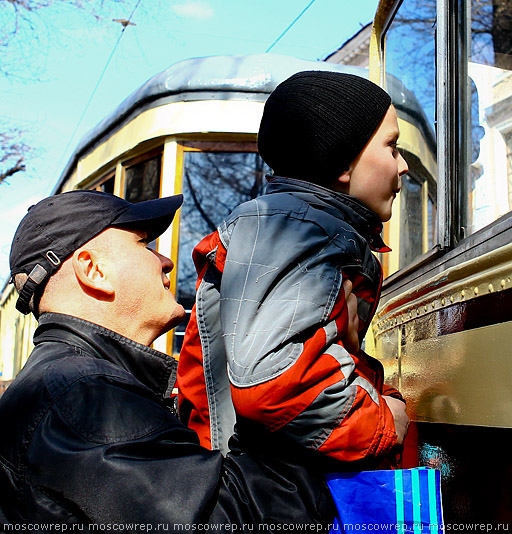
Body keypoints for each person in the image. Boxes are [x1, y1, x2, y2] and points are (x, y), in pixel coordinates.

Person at [0, 190, 334, 528]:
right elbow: (240, 520)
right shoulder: (87, 395)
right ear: (93, 270)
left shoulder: (64, 385)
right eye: (144, 244)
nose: (166, 261)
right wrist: (285, 396)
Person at [176, 71, 410, 466]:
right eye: (392, 147)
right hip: (260, 493)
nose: (402, 166)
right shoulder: (296, 231)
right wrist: (386, 421)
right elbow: (274, 387)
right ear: (341, 161)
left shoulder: (296, 227)